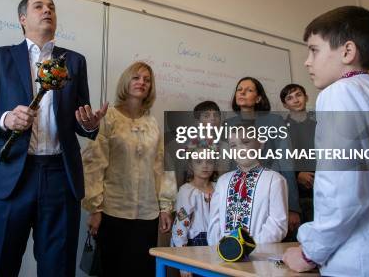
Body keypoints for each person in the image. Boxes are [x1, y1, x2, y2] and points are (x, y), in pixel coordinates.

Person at [0, 0, 108, 277]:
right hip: (9, 178)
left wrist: (90, 126)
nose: (47, 10)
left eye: (52, 7)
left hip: (60, 177)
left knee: (58, 268)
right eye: (39, 6)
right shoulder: (0, 58)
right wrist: (7, 119)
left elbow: (79, 119)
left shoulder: (74, 62)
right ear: (23, 19)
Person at [283, 6, 369, 275]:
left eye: (314, 50)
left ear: (347, 52)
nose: (307, 61)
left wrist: (310, 252)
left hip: (360, 259)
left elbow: (342, 190)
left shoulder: (339, 93)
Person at [82, 61, 175, 276]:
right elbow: (94, 165)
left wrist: (165, 207)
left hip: (147, 216)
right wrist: (95, 209)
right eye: (136, 77)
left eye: (147, 80)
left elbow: (162, 165)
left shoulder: (153, 123)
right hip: (113, 211)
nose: (142, 82)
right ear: (126, 81)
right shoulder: (108, 118)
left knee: (142, 270)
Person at [225, 77, 302, 236]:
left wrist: (293, 206)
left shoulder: (274, 121)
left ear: (259, 98)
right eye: (239, 89)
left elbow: (286, 161)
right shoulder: (228, 124)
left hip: (269, 194)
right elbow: (226, 164)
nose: (242, 92)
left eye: (249, 90)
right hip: (239, 195)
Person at [207, 129, 288, 245]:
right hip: (223, 255)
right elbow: (214, 221)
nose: (240, 148)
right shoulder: (223, 181)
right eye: (233, 145)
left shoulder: (275, 180)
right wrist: (223, 247)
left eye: (245, 142)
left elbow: (277, 224)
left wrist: (250, 246)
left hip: (260, 255)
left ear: (260, 144)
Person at [171, 148, 216, 277]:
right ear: (191, 165)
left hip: (217, 243)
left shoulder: (219, 188)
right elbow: (180, 227)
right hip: (195, 245)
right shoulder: (186, 192)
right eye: (199, 161)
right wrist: (183, 264)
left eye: (209, 161)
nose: (205, 165)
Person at [280, 84, 316, 224]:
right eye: (290, 98)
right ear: (284, 104)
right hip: (295, 194)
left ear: (306, 97)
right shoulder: (280, 128)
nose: (295, 100)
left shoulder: (318, 126)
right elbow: (278, 160)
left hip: (320, 188)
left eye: (298, 95)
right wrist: (297, 174)